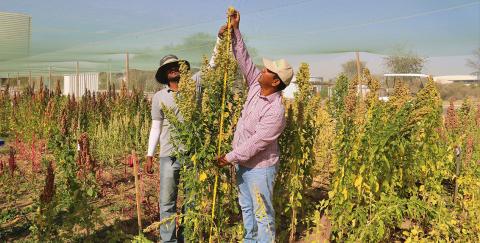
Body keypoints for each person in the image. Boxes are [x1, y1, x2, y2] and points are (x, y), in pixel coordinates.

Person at [217, 10, 293, 243]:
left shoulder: (275, 111)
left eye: (269, 71)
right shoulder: (254, 87)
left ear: (276, 81)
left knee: (263, 215)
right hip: (243, 165)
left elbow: (257, 142)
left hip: (260, 169)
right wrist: (235, 31)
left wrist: (229, 157)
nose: (263, 70)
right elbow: (243, 58)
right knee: (247, 210)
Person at [146, 37, 221, 242]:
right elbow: (156, 126)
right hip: (168, 155)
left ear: (182, 69)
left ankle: (186, 237)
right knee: (167, 201)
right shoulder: (159, 97)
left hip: (193, 154)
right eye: (168, 68)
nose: (172, 69)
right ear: (164, 74)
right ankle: (167, 239)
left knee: (192, 200)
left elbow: (212, 65)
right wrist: (150, 154)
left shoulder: (194, 85)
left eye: (175, 66)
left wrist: (220, 38)